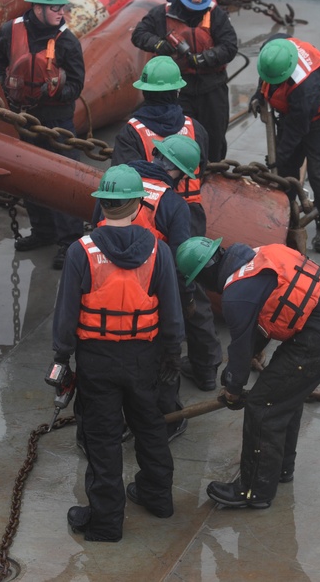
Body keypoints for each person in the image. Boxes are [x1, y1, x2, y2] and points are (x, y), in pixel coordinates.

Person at [52, 165, 184, 542]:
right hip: (145, 356)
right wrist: (171, 353)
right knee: (150, 427)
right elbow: (171, 311)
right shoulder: (159, 251)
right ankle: (158, 498)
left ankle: (107, 521)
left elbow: (67, 313)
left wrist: (62, 356)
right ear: (138, 205)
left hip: (97, 359)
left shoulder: (82, 251)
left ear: (103, 205)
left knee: (103, 439)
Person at [175, 236, 320, 509]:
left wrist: (233, 388)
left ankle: (254, 491)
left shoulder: (236, 295)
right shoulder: (260, 255)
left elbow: (241, 347)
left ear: (205, 276)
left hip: (318, 339)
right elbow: (270, 312)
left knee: (263, 406)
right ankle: (280, 469)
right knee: (284, 398)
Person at [112, 56, 223, 391]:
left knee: (146, 288)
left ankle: (151, 363)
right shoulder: (194, 127)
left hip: (151, 216)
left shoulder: (132, 132)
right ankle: (205, 368)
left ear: (145, 93)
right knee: (193, 291)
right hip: (191, 214)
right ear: (177, 92)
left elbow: (122, 181)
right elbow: (206, 161)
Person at [92, 137, 200, 441]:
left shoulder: (114, 185)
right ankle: (167, 421)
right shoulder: (174, 204)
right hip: (150, 291)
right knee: (162, 362)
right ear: (178, 172)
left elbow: (94, 232)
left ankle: (114, 421)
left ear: (155, 155)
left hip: (105, 287)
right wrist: (185, 300)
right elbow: (180, 261)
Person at [0, 0, 85, 270]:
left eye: (62, 7)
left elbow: (78, 83)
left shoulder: (67, 42)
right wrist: (9, 90)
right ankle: (43, 232)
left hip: (57, 121)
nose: (61, 12)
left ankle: (70, 240)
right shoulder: (10, 31)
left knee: (63, 177)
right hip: (24, 116)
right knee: (32, 175)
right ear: (38, 8)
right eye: (55, 8)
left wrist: (58, 91)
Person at [250, 36, 320, 253]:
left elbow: (297, 129)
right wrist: (259, 94)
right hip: (294, 112)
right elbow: (267, 75)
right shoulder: (275, 49)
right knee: (286, 169)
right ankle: (282, 217)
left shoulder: (307, 86)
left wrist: (279, 156)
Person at [131, 0, 238, 163]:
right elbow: (139, 34)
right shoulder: (161, 14)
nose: (196, 12)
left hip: (212, 89)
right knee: (179, 138)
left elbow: (230, 46)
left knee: (214, 139)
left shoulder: (215, 16)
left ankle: (212, 176)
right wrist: (158, 44)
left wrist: (207, 58)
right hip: (178, 90)